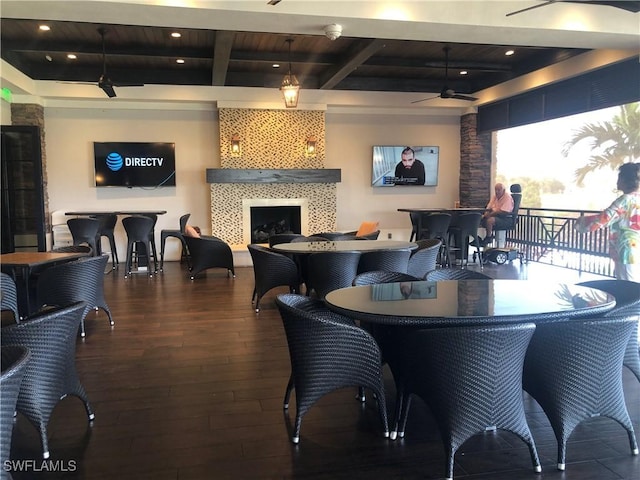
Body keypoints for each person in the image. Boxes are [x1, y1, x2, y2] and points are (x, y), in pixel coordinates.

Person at [575, 162, 640, 282]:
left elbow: (603, 219)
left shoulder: (625, 200)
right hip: (637, 249)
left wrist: (581, 222)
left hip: (627, 249)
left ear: (625, 179)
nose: (617, 181)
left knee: (629, 287)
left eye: (619, 177)